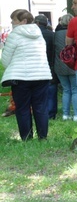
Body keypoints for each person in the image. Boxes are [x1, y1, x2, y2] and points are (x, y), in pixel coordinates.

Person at [1, 9, 53, 140]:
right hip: (41, 75)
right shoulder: (39, 34)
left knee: (23, 108)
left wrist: (13, 67)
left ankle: (26, 137)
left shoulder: (14, 35)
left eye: (14, 20)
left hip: (21, 77)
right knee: (40, 107)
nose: (12, 23)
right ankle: (43, 136)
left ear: (23, 21)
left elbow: (5, 59)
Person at [54, 14, 77, 121]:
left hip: (60, 65)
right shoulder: (75, 33)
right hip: (73, 65)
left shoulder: (56, 34)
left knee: (66, 90)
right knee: (75, 90)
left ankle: (65, 114)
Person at [34, 15, 58, 120]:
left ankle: (40, 112)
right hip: (51, 65)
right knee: (52, 90)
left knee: (38, 91)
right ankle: (51, 113)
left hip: (36, 66)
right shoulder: (52, 35)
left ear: (37, 23)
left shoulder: (34, 35)